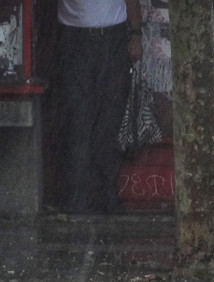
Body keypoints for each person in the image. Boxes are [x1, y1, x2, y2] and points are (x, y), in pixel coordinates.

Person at [54, 0, 142, 214]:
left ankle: (106, 195)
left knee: (110, 119)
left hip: (113, 36)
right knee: (77, 120)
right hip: (74, 36)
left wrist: (136, 34)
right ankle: (77, 198)